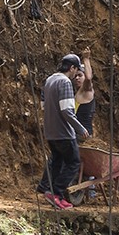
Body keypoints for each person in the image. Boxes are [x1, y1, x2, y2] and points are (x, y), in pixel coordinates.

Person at [36, 53, 90, 210]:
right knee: (73, 162)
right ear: (72, 68)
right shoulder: (65, 82)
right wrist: (80, 128)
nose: (75, 74)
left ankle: (46, 188)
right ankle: (57, 194)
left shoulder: (49, 80)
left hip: (50, 131)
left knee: (57, 160)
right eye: (76, 70)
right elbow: (67, 110)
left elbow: (43, 105)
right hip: (63, 132)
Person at [74, 48, 95, 137]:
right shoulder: (78, 91)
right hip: (77, 134)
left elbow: (89, 78)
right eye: (75, 76)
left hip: (83, 135)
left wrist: (86, 59)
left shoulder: (87, 90)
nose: (77, 78)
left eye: (80, 75)